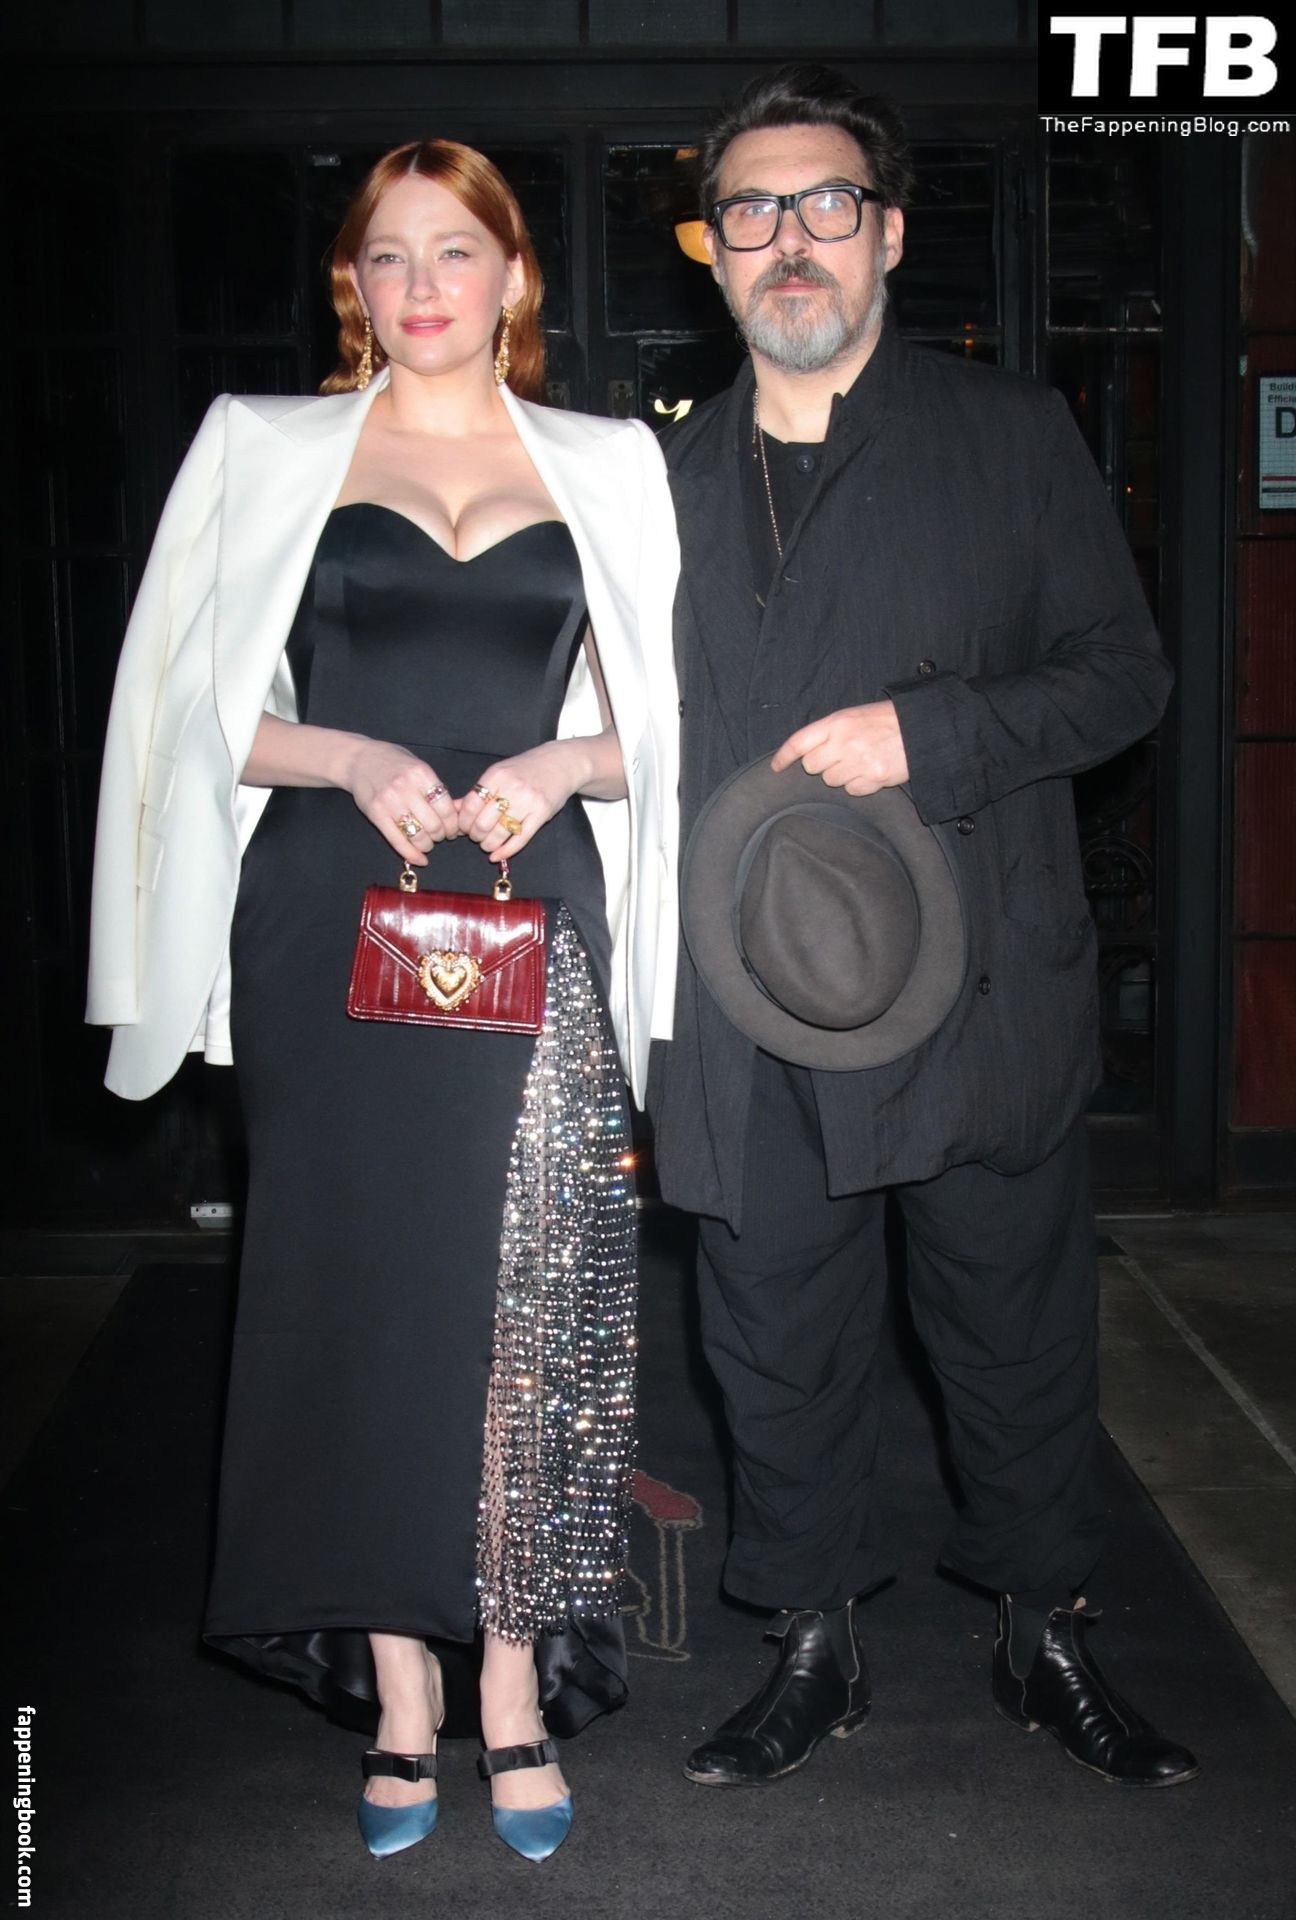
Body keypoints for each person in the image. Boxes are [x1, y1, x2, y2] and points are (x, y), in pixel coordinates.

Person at [86, 139, 680, 1862]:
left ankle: (513, 1676)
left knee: (528, 1295)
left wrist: (564, 763)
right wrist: (346, 754)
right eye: (389, 256)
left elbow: (674, 714)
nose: (424, 285)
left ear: (513, 276)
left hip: (529, 900)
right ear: (353, 283)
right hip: (326, 914)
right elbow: (183, 701)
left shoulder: (608, 462)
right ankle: (401, 1691)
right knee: (353, 1291)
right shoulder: (264, 447)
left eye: (456, 250)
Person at [647, 64, 1199, 1791]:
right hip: (750, 999)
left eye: (826, 204)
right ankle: (815, 1646)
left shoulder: (1010, 432)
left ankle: (1048, 1634)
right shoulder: (656, 476)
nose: (789, 241)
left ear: (887, 233)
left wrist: (931, 731)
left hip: (975, 990)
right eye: (751, 212)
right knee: (775, 1342)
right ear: (713, 251)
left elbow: (1126, 677)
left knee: (1015, 1335)